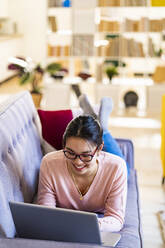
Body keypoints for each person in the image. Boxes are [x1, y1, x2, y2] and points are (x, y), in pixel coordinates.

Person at [37, 96, 127, 232]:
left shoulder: (116, 167)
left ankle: (104, 128)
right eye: (70, 152)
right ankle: (97, 123)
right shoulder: (49, 163)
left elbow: (115, 218)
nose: (77, 162)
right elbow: (46, 212)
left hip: (111, 164)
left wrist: (82, 225)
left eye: (86, 155)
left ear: (99, 149)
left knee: (125, 167)